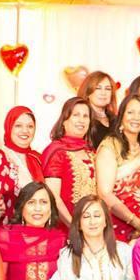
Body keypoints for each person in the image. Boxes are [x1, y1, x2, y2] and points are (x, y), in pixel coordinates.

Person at [95, 94, 140, 241]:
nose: (136, 117)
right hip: (118, 227)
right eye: (130, 112)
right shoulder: (110, 146)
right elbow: (105, 194)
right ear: (121, 116)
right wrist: (136, 222)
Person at [0, 105, 44, 226]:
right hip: (7, 233)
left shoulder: (38, 159)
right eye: (18, 125)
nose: (25, 131)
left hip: (37, 232)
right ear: (9, 127)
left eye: (30, 126)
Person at [41, 97, 97, 227]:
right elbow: (53, 197)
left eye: (85, 116)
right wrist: (74, 228)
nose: (81, 120)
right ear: (64, 121)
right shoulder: (57, 152)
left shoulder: (91, 152)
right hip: (66, 227)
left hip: (93, 225)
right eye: (76, 115)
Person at [78, 71, 117, 146]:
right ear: (88, 92)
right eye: (98, 88)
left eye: (108, 89)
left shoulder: (117, 120)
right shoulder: (81, 119)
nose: (103, 93)